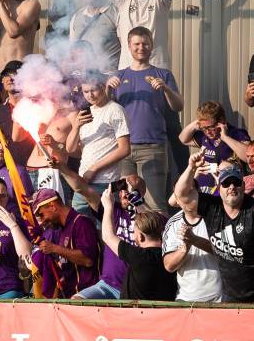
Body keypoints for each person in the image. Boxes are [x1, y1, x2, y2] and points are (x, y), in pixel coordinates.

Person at [174, 155, 254, 303]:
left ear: (243, 186)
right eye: (226, 183)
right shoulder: (211, 206)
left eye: (236, 182)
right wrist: (191, 168)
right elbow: (181, 195)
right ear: (219, 187)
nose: (231, 187)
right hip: (230, 295)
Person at [108, 26, 184, 212]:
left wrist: (166, 89)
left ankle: (158, 233)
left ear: (152, 45)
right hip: (122, 149)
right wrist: (107, 89)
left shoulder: (163, 75)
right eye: (136, 44)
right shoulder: (118, 76)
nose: (141, 47)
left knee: (155, 205)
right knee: (126, 204)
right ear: (128, 46)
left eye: (145, 44)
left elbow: (178, 106)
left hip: (153, 147)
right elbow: (106, 111)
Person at [66, 69, 130, 217]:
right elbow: (70, 149)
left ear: (103, 86)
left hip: (106, 182)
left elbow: (125, 149)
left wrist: (94, 168)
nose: (90, 95)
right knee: (80, 224)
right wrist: (76, 127)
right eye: (85, 91)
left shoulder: (115, 110)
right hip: (83, 182)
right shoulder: (85, 112)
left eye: (93, 90)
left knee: (105, 226)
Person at [101, 191, 177, 300]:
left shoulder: (138, 256)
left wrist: (108, 206)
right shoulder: (172, 257)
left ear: (140, 237)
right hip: (166, 309)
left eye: (134, 232)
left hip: (136, 310)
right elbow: (153, 220)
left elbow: (107, 236)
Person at [31, 188, 100, 298]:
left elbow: (88, 260)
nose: (42, 221)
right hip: (68, 297)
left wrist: (54, 248)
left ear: (52, 206)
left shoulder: (81, 223)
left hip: (85, 298)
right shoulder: (61, 229)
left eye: (42, 214)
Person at [162, 189, 223, 303]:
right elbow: (169, 265)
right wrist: (185, 248)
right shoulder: (173, 223)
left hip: (220, 299)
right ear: (177, 200)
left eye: (191, 193)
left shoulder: (216, 216)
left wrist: (195, 240)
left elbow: (226, 252)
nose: (187, 198)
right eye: (183, 194)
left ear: (199, 195)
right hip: (186, 300)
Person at [0, 177, 32, 298]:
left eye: (3, 196)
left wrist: (13, 226)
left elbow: (26, 256)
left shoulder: (17, 222)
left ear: (8, 197)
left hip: (10, 288)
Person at [68, 0, 120, 72]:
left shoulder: (116, 14)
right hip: (82, 78)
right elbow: (72, 49)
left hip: (108, 77)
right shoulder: (77, 16)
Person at [0, 60, 36, 166]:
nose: (10, 79)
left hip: (32, 168)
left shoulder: (36, 107)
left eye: (15, 74)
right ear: (2, 80)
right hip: (6, 168)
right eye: (6, 75)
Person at [178, 101, 250, 164]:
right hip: (204, 174)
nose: (208, 132)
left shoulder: (237, 134)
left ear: (221, 121)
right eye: (204, 128)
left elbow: (248, 157)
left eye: (210, 127)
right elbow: (183, 139)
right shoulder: (204, 135)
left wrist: (225, 138)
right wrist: (197, 122)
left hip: (225, 174)